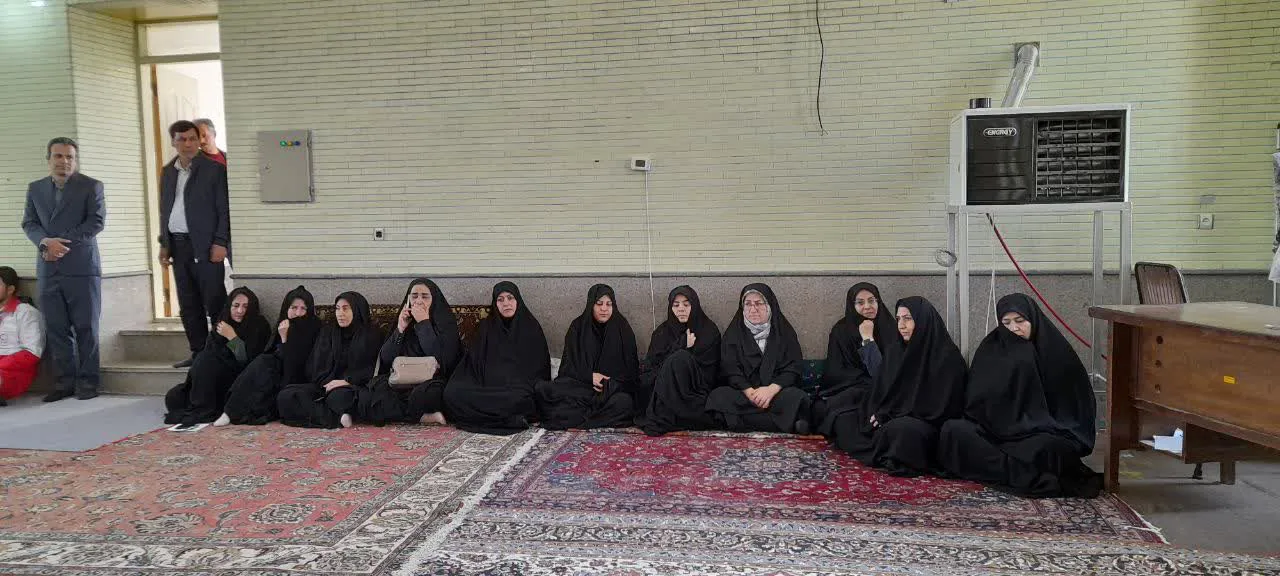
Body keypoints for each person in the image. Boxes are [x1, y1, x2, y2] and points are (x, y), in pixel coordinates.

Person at [938, 294, 1102, 497]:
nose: (1014, 328)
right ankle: (1022, 473)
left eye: (1020, 321)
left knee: (1053, 448)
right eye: (1006, 322)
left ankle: (1004, 471)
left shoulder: (1055, 353)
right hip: (993, 431)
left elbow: (1073, 407)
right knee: (954, 431)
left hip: (1038, 431)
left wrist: (1039, 422)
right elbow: (976, 402)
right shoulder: (990, 349)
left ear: (1033, 319)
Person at [832, 296, 966, 477]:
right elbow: (883, 388)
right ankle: (886, 448)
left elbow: (941, 407)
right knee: (845, 418)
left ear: (923, 320)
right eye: (898, 319)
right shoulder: (896, 351)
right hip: (892, 416)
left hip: (926, 422)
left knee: (903, 431)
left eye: (908, 318)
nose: (901, 325)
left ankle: (890, 451)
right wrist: (880, 410)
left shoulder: (946, 357)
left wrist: (892, 413)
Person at [22, 137, 106, 402]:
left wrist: (60, 243)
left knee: (86, 328)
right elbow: (29, 223)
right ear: (48, 159)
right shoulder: (35, 189)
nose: (64, 162)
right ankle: (64, 382)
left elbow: (96, 222)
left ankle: (89, 382)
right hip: (48, 267)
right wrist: (45, 242)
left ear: (75, 160)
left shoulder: (91, 186)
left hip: (81, 267)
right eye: (58, 156)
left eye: (70, 157)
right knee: (56, 328)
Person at [158, 120, 231, 369]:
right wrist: (164, 243)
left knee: (214, 300)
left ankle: (221, 352)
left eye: (192, 138)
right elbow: (165, 210)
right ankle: (198, 352)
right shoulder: (168, 171)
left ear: (199, 140)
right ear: (173, 142)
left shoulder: (214, 170)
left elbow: (224, 210)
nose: (187, 144)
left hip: (207, 246)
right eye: (182, 139)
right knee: (188, 303)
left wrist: (221, 242)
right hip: (178, 246)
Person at [442, 281, 550, 435]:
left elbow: (539, 369)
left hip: (516, 389)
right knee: (452, 393)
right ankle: (508, 418)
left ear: (517, 301)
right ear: (495, 303)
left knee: (524, 398)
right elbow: (473, 362)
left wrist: (512, 382)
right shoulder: (486, 327)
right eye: (500, 299)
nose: (506, 303)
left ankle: (490, 416)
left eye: (510, 298)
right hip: (486, 386)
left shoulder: (531, 327)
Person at [705, 284, 811, 434]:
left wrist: (770, 390)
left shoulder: (784, 333)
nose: (753, 309)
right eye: (748, 304)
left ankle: (740, 423)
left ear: (769, 306)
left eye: (759, 303)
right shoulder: (733, 335)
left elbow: (793, 368)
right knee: (718, 396)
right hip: (745, 395)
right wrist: (750, 392)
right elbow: (730, 369)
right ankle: (784, 423)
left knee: (797, 397)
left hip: (775, 395)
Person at [358, 279, 462, 426]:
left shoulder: (445, 322)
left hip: (432, 381)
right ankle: (422, 417)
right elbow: (386, 359)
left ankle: (400, 413)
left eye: (425, 297)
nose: (418, 301)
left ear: (434, 300)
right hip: (400, 380)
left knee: (423, 396)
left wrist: (424, 323)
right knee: (367, 396)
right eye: (414, 296)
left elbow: (444, 360)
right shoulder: (404, 322)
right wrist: (400, 329)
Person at [535, 284, 639, 430]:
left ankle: (577, 418)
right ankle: (592, 417)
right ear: (591, 305)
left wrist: (608, 384)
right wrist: (590, 377)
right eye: (599, 304)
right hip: (581, 387)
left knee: (625, 402)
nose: (604, 309)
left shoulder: (623, 329)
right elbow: (567, 368)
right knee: (545, 389)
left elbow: (631, 372)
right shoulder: (578, 327)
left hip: (610, 392)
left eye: (609, 304)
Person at [164, 287, 270, 426]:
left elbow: (246, 361)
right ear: (229, 306)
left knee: (207, 363)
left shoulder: (259, 326)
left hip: (236, 382)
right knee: (174, 397)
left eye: (245, 306)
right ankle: (203, 405)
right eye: (236, 305)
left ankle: (206, 408)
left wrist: (232, 337)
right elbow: (208, 354)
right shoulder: (222, 322)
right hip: (211, 382)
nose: (240, 311)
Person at [215, 286, 320, 425]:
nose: (298, 313)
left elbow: (296, 363)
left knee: (264, 365)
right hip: (255, 369)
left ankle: (232, 411)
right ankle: (229, 410)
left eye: (303, 308)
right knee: (263, 363)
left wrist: (284, 339)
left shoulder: (258, 326)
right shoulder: (222, 322)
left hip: (295, 376)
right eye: (294, 308)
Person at [277, 292, 381, 429]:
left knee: (338, 397)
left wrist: (346, 381)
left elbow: (374, 368)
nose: (340, 313)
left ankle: (325, 414)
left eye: (345, 308)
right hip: (325, 385)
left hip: (353, 387)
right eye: (337, 309)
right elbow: (315, 365)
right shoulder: (328, 332)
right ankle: (338, 418)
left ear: (357, 310)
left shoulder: (371, 334)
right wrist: (326, 383)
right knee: (286, 396)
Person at [814, 282, 898, 438]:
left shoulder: (891, 329)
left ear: (878, 302)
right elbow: (835, 371)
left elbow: (882, 373)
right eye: (860, 302)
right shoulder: (841, 330)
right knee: (829, 406)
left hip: (882, 389)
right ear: (852, 305)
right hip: (849, 388)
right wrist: (862, 380)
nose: (867, 307)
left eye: (871, 301)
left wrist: (868, 340)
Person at [636, 285, 721, 436]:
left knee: (681, 359)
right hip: (664, 390)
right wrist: (681, 345)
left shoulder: (708, 331)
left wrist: (684, 360)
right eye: (676, 305)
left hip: (693, 391)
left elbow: (710, 374)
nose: (681, 309)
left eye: (686, 305)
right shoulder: (662, 332)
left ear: (694, 306)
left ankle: (677, 413)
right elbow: (650, 369)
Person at [0, 267, 44, 406]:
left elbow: (32, 353)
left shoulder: (26, 312)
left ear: (10, 289)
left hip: (14, 371)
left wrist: (2, 364)